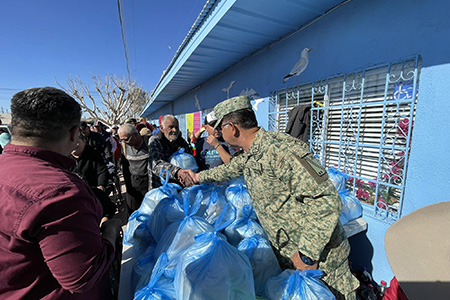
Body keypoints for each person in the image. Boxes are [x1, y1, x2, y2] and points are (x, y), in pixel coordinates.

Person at [188, 95, 359, 299]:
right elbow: (230, 169)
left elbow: (326, 200)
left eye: (221, 127)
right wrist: (197, 176)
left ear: (232, 128)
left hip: (321, 262)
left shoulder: (282, 150)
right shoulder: (251, 153)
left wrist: (307, 252)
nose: (219, 133)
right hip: (291, 256)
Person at [0, 87, 122, 299]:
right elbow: (83, 276)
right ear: (75, 133)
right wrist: (110, 230)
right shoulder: (61, 192)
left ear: (14, 127)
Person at [71, 134, 116, 223]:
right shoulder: (65, 157)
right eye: (71, 143)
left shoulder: (94, 154)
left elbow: (102, 171)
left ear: (84, 141)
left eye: (77, 142)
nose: (74, 146)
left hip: (93, 189)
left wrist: (101, 185)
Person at [148, 114, 195, 189]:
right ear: (162, 128)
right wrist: (178, 172)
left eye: (176, 127)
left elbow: (190, 159)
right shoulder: (155, 140)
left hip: (179, 188)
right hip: (161, 188)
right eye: (171, 127)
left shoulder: (181, 141)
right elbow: (156, 164)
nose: (174, 130)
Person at [118, 123, 150, 214]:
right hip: (133, 183)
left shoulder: (148, 144)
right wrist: (129, 187)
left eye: (126, 139)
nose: (124, 142)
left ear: (135, 135)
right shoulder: (124, 147)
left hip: (148, 183)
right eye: (121, 140)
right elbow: (125, 168)